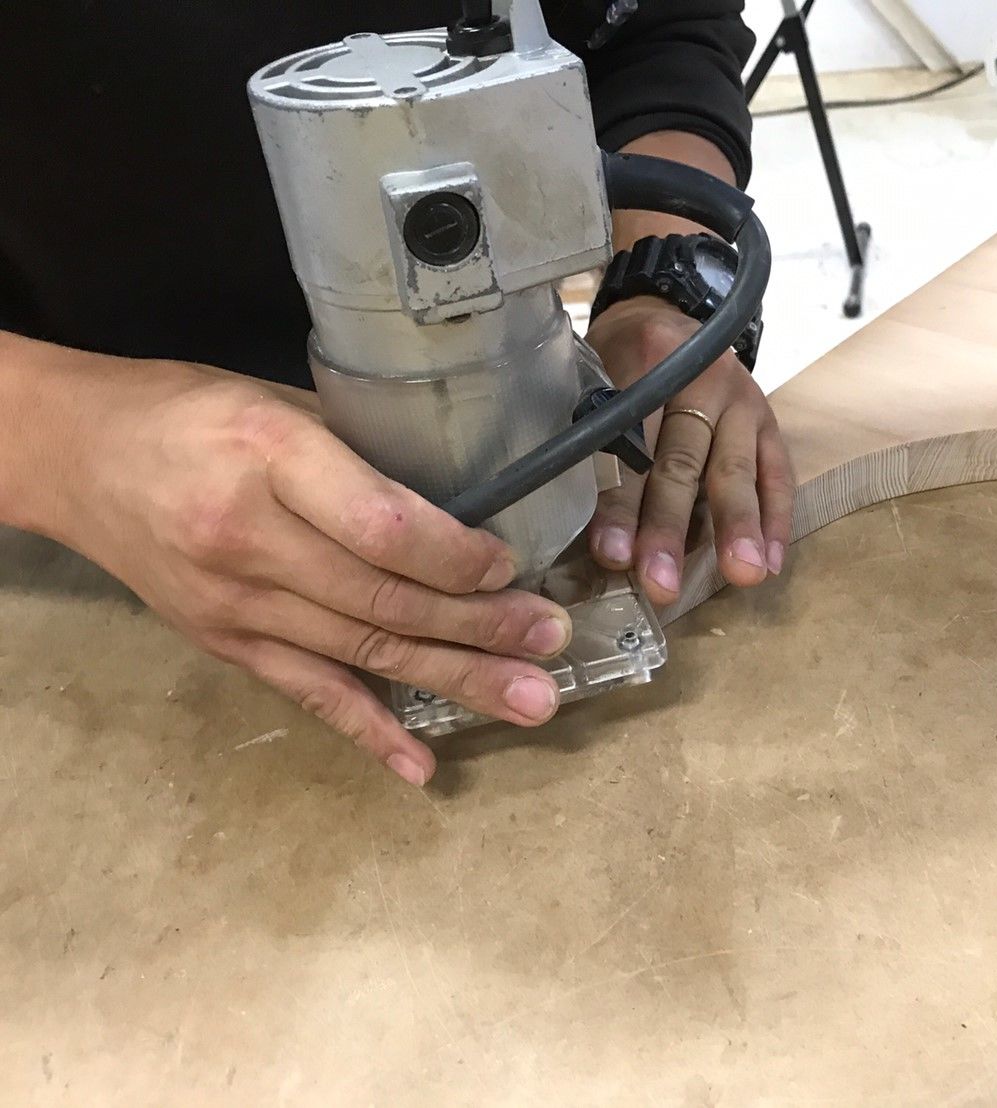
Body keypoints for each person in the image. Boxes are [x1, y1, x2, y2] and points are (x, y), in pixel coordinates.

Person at [0, 2, 794, 786]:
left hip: (533, 401)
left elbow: (663, 29)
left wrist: (661, 282)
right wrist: (73, 443)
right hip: (104, 515)